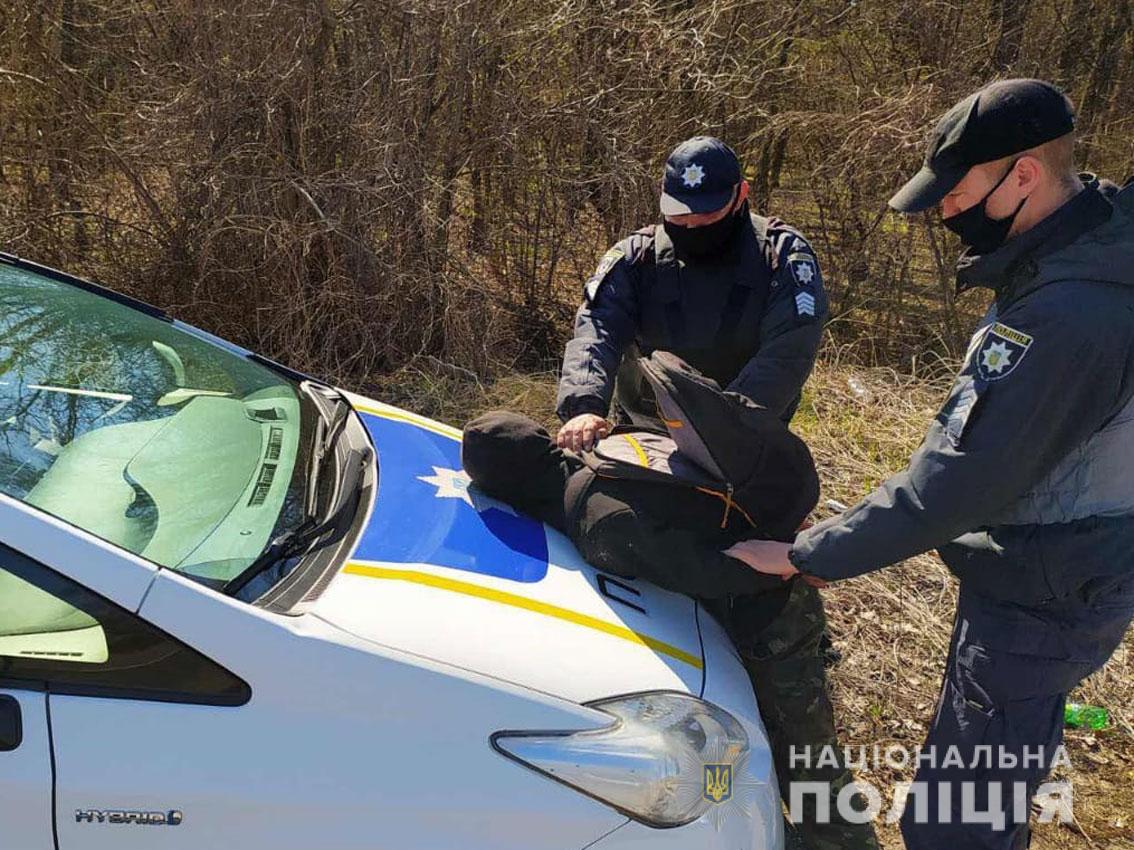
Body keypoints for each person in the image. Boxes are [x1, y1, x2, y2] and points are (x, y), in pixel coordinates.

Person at [727, 78, 1134, 849]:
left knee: (955, 825)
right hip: (1058, 568)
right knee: (988, 790)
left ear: (1024, 174)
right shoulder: (1086, 245)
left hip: (1043, 592)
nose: (944, 209)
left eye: (957, 190)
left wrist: (812, 554)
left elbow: (959, 481)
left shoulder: (1069, 309)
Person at [466, 352, 879, 850]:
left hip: (770, 617)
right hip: (770, 574)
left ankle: (845, 842)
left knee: (807, 756)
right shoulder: (610, 445)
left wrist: (798, 564)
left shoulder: (599, 523)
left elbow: (710, 569)